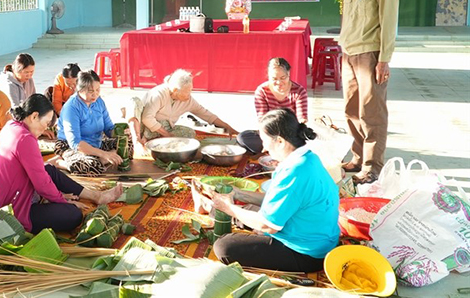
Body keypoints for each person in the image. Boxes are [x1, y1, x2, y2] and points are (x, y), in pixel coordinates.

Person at [210, 108, 339, 273]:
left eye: (264, 140)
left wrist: (229, 208)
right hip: (320, 239)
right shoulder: (307, 158)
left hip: (306, 254)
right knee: (249, 212)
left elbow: (267, 226)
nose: (263, 148)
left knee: (224, 246)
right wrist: (239, 194)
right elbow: (283, 200)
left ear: (280, 141)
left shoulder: (295, 171)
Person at [0, 94, 123, 233]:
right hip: (10, 211)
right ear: (34, 116)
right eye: (45, 123)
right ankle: (56, 202)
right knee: (73, 214)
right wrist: (61, 200)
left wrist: (57, 196)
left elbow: (38, 174)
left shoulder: (12, 125)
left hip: (1, 200)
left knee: (49, 169)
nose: (45, 129)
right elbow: (41, 183)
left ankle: (96, 196)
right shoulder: (25, 139)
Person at [335, 0, 399, 184]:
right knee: (351, 109)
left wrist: (384, 58)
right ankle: (358, 157)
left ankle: (372, 167)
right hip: (348, 52)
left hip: (370, 53)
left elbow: (388, 19)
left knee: (371, 112)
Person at [126, 69, 238, 154]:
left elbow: (205, 114)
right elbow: (147, 118)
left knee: (190, 133)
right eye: (187, 92)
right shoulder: (158, 94)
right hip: (145, 129)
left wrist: (228, 127)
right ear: (175, 90)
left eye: (191, 90)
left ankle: (157, 142)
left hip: (163, 131)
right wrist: (167, 134)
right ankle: (141, 141)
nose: (189, 95)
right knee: (133, 102)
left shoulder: (187, 99)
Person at [54, 70, 129, 175]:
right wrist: (105, 154)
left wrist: (121, 132)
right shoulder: (71, 107)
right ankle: (60, 163)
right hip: (71, 145)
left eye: (98, 90)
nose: (95, 94)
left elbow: (109, 129)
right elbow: (75, 143)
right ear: (80, 90)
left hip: (95, 142)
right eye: (90, 91)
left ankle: (101, 159)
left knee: (127, 145)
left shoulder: (99, 101)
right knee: (92, 167)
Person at [237, 58, 308, 154]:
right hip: (270, 134)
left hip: (290, 134)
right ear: (268, 77)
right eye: (274, 79)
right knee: (243, 137)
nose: (279, 83)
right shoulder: (262, 91)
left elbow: (302, 119)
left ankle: (278, 150)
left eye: (283, 78)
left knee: (310, 139)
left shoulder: (299, 91)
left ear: (289, 74)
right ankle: (281, 151)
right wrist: (266, 140)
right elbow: (262, 120)